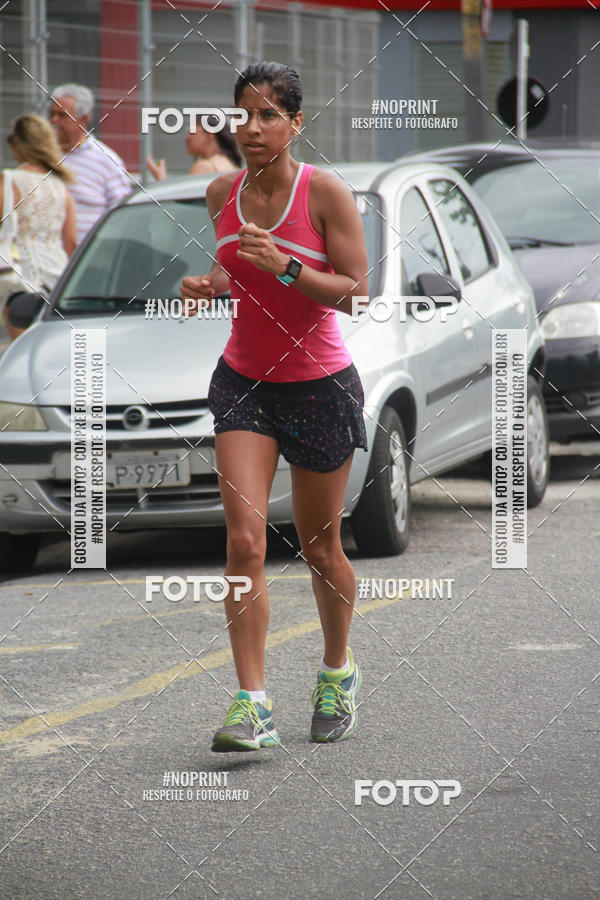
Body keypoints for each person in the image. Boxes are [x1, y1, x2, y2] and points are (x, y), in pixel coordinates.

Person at [180, 62, 369, 752]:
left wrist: (287, 264)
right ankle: (253, 704)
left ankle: (337, 670)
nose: (253, 128)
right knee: (245, 542)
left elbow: (355, 292)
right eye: (244, 115)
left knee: (321, 547)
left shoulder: (327, 193)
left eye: (268, 117)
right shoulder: (220, 192)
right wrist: (210, 282)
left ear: (295, 124)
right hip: (245, 382)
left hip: (320, 385)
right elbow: (235, 270)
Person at [1, 114, 77, 341]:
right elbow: (71, 241)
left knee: (22, 350)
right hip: (57, 277)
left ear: (18, 145)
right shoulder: (61, 186)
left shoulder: (9, 180)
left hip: (19, 279)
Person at [49, 83, 131, 243]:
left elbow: (121, 215)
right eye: (52, 114)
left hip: (85, 259)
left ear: (83, 119)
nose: (54, 120)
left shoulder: (106, 160)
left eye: (62, 115)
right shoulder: (44, 155)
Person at [146, 115, 241, 180]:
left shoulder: (204, 167)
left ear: (209, 134)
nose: (186, 137)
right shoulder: (230, 164)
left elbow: (183, 206)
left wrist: (161, 178)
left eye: (190, 131)